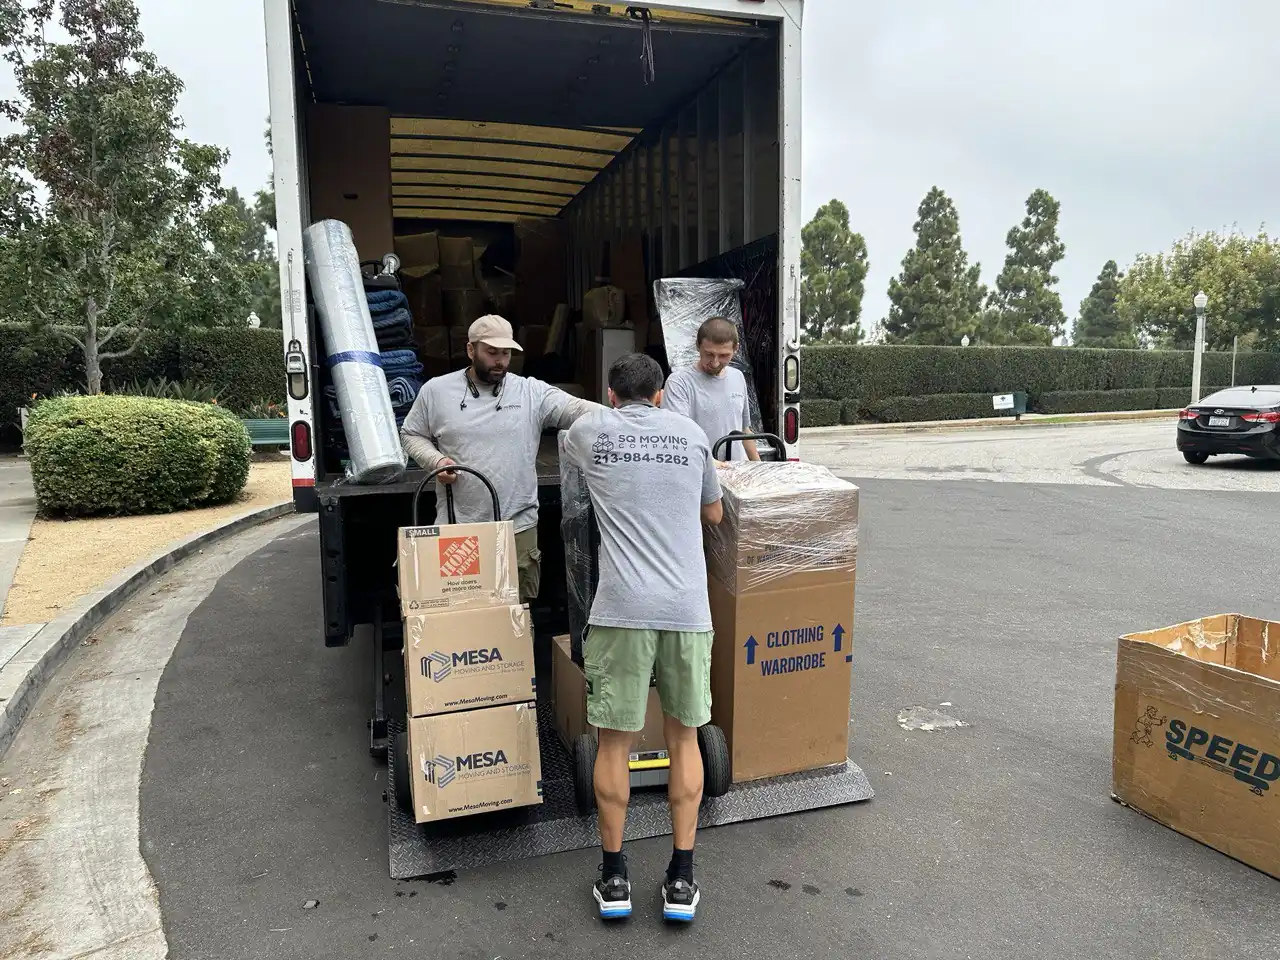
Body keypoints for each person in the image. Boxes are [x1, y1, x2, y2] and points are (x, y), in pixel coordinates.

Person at [562, 352, 724, 924]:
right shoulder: (692, 435)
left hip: (622, 610)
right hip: (687, 610)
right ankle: (681, 877)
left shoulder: (591, 432)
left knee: (614, 745)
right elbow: (713, 514)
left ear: (612, 395)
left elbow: (567, 447)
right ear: (660, 394)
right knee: (684, 740)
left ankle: (614, 877)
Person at [400, 314, 598, 602]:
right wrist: (436, 462)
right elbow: (411, 434)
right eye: (491, 352)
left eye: (506, 353)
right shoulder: (436, 391)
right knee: (463, 613)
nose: (500, 361)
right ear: (471, 350)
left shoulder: (530, 391)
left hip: (517, 528)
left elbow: (578, 410)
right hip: (458, 530)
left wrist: (629, 412)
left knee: (517, 615)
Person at [662, 317, 760, 462]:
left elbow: (744, 430)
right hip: (700, 471)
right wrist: (711, 465)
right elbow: (678, 436)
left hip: (737, 470)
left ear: (736, 349)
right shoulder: (679, 382)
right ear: (697, 346)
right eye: (709, 354)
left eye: (723, 356)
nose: (715, 363)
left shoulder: (737, 377)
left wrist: (759, 466)